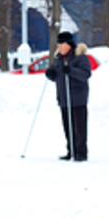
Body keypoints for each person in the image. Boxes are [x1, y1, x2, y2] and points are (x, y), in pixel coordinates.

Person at [45, 31, 91, 162]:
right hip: (64, 98)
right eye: (58, 44)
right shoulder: (58, 59)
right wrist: (51, 74)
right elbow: (58, 77)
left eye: (61, 44)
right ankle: (71, 150)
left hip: (77, 98)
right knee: (67, 125)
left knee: (79, 127)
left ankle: (81, 153)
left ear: (69, 45)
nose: (59, 46)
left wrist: (71, 71)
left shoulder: (80, 58)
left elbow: (85, 74)